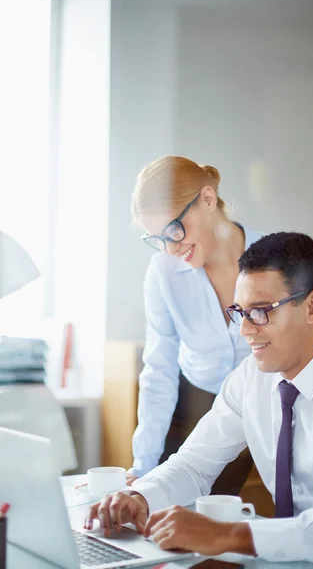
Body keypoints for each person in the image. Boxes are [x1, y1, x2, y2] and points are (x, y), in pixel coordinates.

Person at [87, 232, 313, 564]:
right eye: (240, 312)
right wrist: (139, 496)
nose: (244, 330)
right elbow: (195, 465)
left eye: (261, 311)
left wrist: (231, 535)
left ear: (312, 306)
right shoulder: (248, 378)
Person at [128, 155, 263, 493]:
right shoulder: (163, 273)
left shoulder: (276, 258)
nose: (170, 249)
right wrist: (143, 465)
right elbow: (158, 368)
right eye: (157, 239)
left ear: (207, 199)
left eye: (174, 230)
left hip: (262, 403)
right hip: (193, 403)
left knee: (208, 510)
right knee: (156, 501)